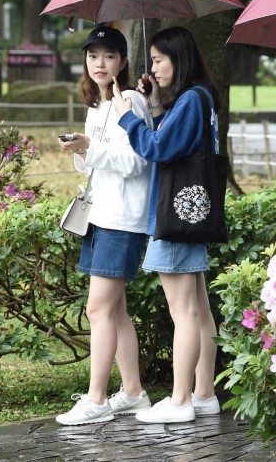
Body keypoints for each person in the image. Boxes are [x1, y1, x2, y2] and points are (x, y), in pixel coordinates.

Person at [112, 26, 221, 424]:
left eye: (159, 60)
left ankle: (180, 401)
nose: (153, 67)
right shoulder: (201, 98)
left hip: (174, 217)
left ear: (179, 58)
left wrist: (129, 118)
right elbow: (173, 141)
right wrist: (156, 106)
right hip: (191, 212)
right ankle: (204, 394)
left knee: (185, 314)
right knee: (200, 311)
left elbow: (156, 148)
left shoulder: (191, 100)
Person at [55, 25, 155, 426]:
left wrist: (90, 148)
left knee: (98, 309)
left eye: (109, 56)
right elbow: (93, 162)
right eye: (93, 55)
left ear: (123, 63)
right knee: (115, 313)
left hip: (122, 218)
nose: (100, 63)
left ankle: (96, 400)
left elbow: (137, 162)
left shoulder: (128, 99)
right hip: (100, 213)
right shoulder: (96, 104)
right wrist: (81, 148)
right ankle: (133, 392)